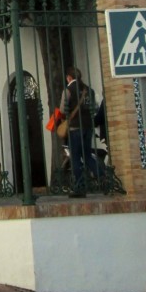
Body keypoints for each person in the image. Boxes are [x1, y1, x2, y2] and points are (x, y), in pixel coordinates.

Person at [59, 66, 103, 197]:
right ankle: (103, 178)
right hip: (88, 127)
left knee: (75, 157)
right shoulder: (89, 90)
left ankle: (79, 186)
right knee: (87, 155)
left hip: (75, 127)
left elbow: (62, 109)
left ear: (68, 77)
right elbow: (94, 107)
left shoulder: (68, 90)